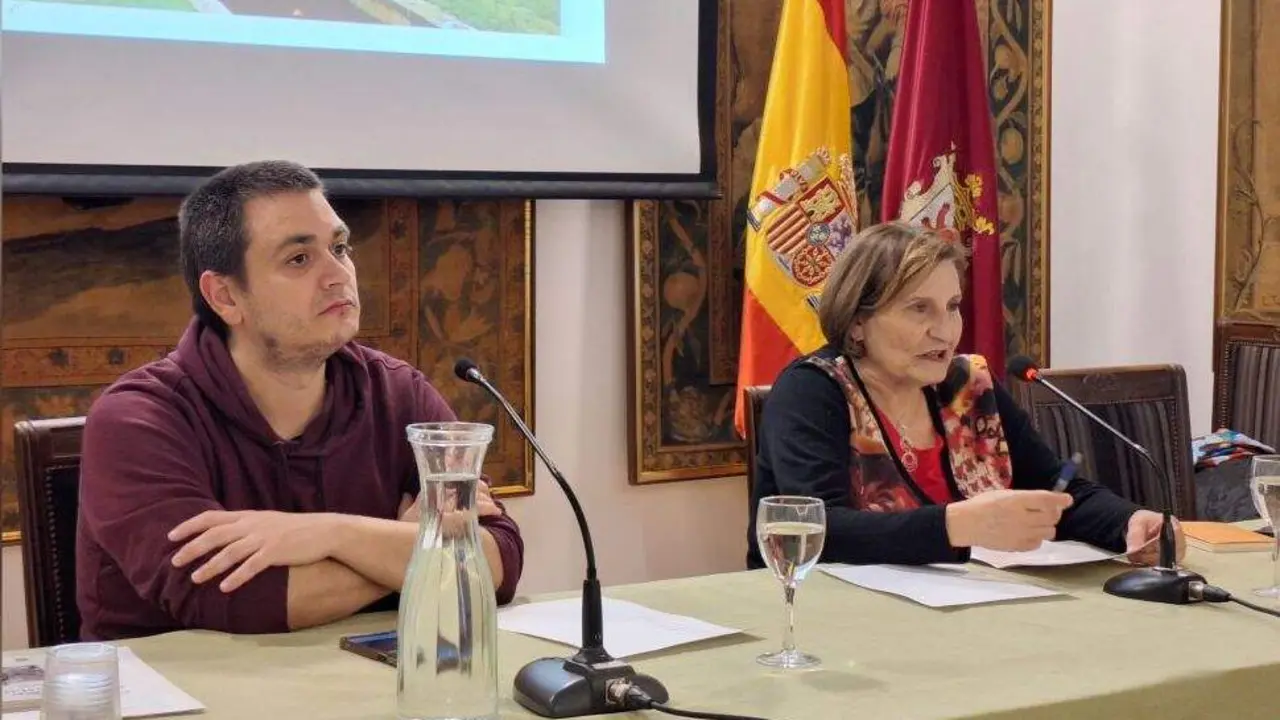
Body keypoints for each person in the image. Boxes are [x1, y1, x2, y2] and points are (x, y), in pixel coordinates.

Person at [76, 160, 524, 641]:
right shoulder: (137, 420)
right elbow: (237, 601)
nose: (339, 275)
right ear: (225, 296)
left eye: (340, 248)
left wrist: (333, 533)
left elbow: (498, 561)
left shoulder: (398, 392)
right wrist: (417, 542)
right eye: (299, 260)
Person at [747, 222, 1185, 569]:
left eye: (953, 306)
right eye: (920, 308)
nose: (945, 330)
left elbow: (1057, 491)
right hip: (832, 623)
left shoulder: (968, 386)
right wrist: (956, 525)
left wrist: (1131, 521)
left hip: (969, 613)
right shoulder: (812, 390)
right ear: (858, 321)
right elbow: (819, 532)